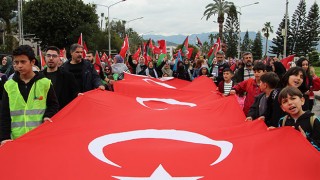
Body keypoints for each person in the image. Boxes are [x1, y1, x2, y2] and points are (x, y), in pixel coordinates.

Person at [0, 45, 59, 144]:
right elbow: (4, 114)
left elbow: (54, 105)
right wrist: (4, 137)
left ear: (32, 62)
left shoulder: (45, 83)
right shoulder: (9, 85)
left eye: (23, 62)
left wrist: (48, 115)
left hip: (40, 138)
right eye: (16, 62)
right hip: (16, 139)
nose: (19, 66)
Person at [276, 86, 320, 151]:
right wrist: (275, 134)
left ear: (302, 100)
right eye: (285, 101)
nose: (290, 103)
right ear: (282, 108)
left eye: (293, 98)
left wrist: (305, 140)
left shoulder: (314, 120)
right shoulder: (282, 121)